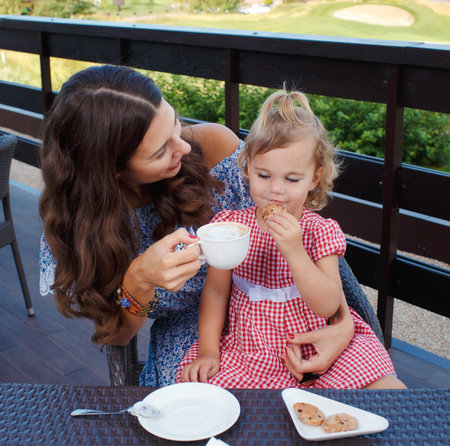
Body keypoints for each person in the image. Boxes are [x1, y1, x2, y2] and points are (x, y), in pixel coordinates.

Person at [39, 65, 355, 387]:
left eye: (175, 124)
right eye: (161, 150)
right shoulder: (78, 227)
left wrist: (343, 327)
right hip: (194, 340)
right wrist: (138, 281)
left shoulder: (214, 147)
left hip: (291, 314)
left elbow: (300, 236)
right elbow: (117, 337)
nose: (184, 147)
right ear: (111, 171)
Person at [179, 90, 407, 389]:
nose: (276, 190)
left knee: (390, 390)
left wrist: (296, 253)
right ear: (247, 168)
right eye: (264, 175)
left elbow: (329, 306)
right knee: (209, 399)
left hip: (319, 347)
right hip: (251, 352)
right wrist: (209, 351)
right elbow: (216, 294)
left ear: (315, 177)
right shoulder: (231, 227)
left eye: (291, 179)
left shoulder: (319, 232)